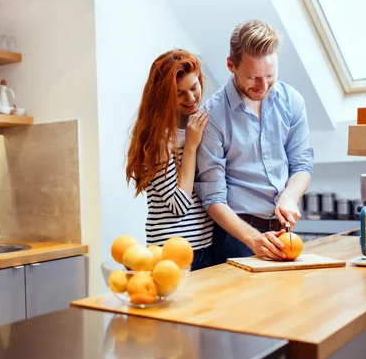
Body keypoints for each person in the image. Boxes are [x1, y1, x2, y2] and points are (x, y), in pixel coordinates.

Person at [194, 19, 314, 262]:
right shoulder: (212, 116)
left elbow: (302, 166)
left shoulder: (292, 101)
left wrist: (289, 197)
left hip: (282, 233)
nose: (263, 86)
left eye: (270, 75)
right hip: (235, 238)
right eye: (253, 77)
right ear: (231, 65)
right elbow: (213, 198)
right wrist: (252, 239)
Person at [126, 49, 215, 271]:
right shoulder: (158, 139)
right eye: (180, 93)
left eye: (194, 87)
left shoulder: (199, 124)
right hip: (171, 253)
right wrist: (191, 147)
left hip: (205, 247)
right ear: (164, 96)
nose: (191, 98)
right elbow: (178, 205)